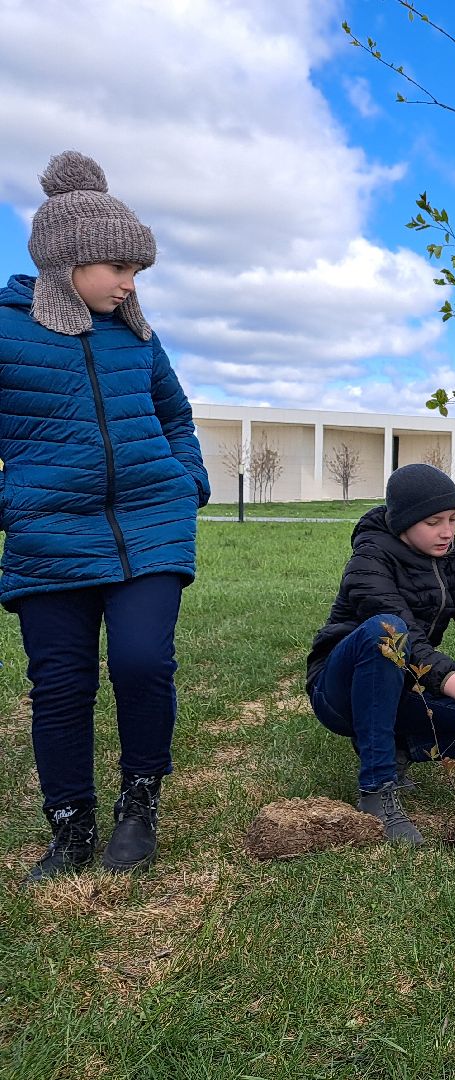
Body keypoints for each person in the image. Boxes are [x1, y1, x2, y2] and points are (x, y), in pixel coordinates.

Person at [0, 152, 211, 882]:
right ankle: (70, 829)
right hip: (49, 538)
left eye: (136, 272)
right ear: (69, 259)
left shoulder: (137, 339)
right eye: (119, 267)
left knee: (143, 663)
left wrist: (188, 481)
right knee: (61, 685)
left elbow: (176, 418)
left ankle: (140, 803)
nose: (129, 283)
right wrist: (13, 505)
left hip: (150, 527)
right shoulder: (6, 333)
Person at [306, 464, 455, 843]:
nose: (447, 531)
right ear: (403, 521)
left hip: (406, 688)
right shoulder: (368, 561)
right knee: (385, 630)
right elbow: (405, 641)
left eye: (453, 519)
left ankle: (401, 744)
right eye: (434, 521)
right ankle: (377, 790)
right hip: (341, 693)